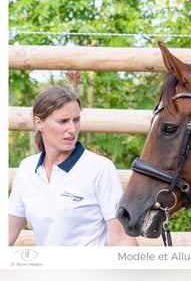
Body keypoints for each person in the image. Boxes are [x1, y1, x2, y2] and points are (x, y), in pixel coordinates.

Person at [9, 85, 138, 246]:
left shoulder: (100, 168)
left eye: (76, 120)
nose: (72, 129)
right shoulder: (27, 169)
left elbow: (122, 239)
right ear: (39, 123)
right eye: (63, 121)